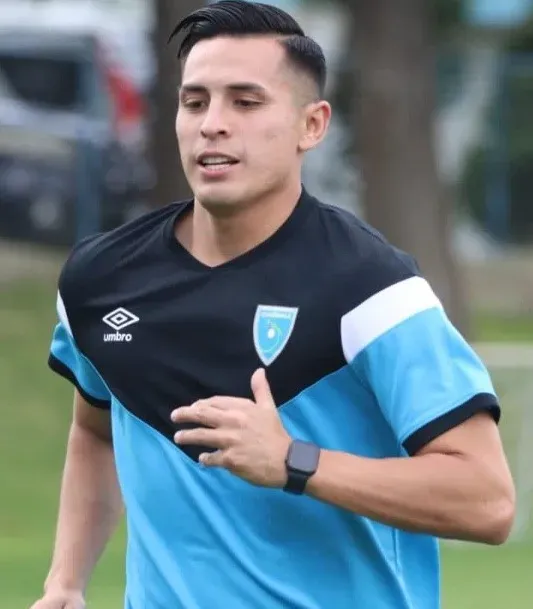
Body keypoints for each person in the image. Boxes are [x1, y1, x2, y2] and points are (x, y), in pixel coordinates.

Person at [31, 2, 515, 608]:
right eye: (195, 101)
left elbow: (487, 500)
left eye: (246, 101)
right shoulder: (100, 279)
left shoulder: (372, 289)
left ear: (312, 126)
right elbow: (95, 433)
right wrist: (66, 580)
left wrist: (293, 460)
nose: (213, 124)